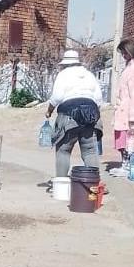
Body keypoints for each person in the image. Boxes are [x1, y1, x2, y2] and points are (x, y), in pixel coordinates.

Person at [45, 49, 103, 179]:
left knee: (64, 150)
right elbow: (99, 99)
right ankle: (93, 184)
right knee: (89, 151)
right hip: (91, 114)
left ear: (65, 64)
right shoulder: (89, 75)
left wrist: (49, 111)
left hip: (69, 114)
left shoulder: (63, 75)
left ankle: (61, 183)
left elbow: (57, 97)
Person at [113, 38, 134, 167]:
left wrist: (133, 117)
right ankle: (126, 163)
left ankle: (128, 164)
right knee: (122, 139)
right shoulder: (131, 67)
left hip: (128, 112)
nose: (124, 56)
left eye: (125, 53)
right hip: (123, 110)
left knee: (127, 140)